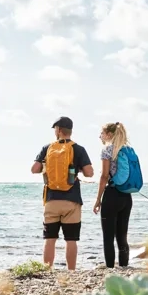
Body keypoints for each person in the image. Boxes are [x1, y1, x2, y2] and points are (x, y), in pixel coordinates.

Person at [31, 116, 93, 271]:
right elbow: (89, 173)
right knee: (71, 239)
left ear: (58, 130)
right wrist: (76, 169)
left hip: (51, 200)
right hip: (71, 201)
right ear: (70, 131)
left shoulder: (47, 148)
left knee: (49, 239)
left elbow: (34, 169)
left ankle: (47, 270)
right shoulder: (78, 149)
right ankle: (71, 271)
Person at [93, 122, 133, 268]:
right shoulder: (128, 149)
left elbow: (104, 176)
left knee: (108, 237)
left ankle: (110, 269)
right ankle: (124, 267)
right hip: (126, 196)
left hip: (111, 195)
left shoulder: (107, 150)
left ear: (109, 135)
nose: (100, 136)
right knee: (122, 236)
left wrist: (98, 199)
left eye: (101, 133)